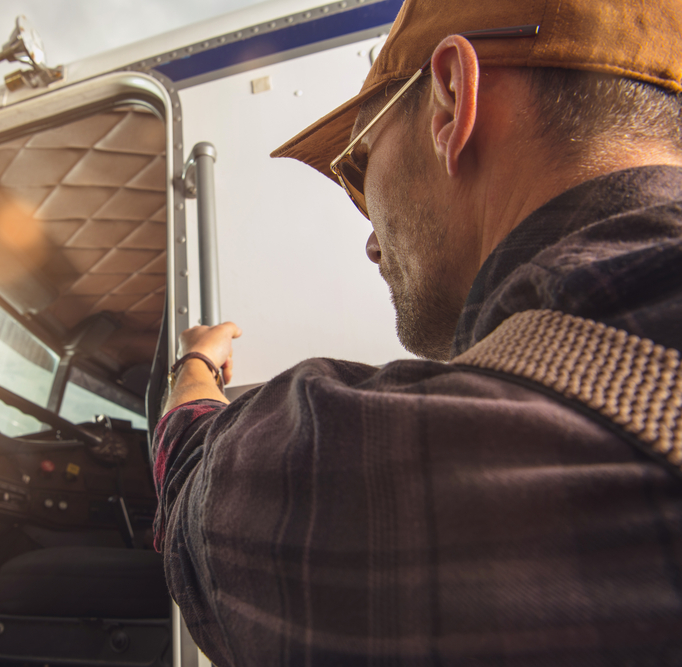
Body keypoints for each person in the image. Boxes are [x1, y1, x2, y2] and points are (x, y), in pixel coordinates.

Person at [151, 0, 682, 664]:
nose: (372, 240)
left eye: (358, 167)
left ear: (451, 101)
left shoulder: (399, 458)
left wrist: (195, 362)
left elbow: (192, 474)